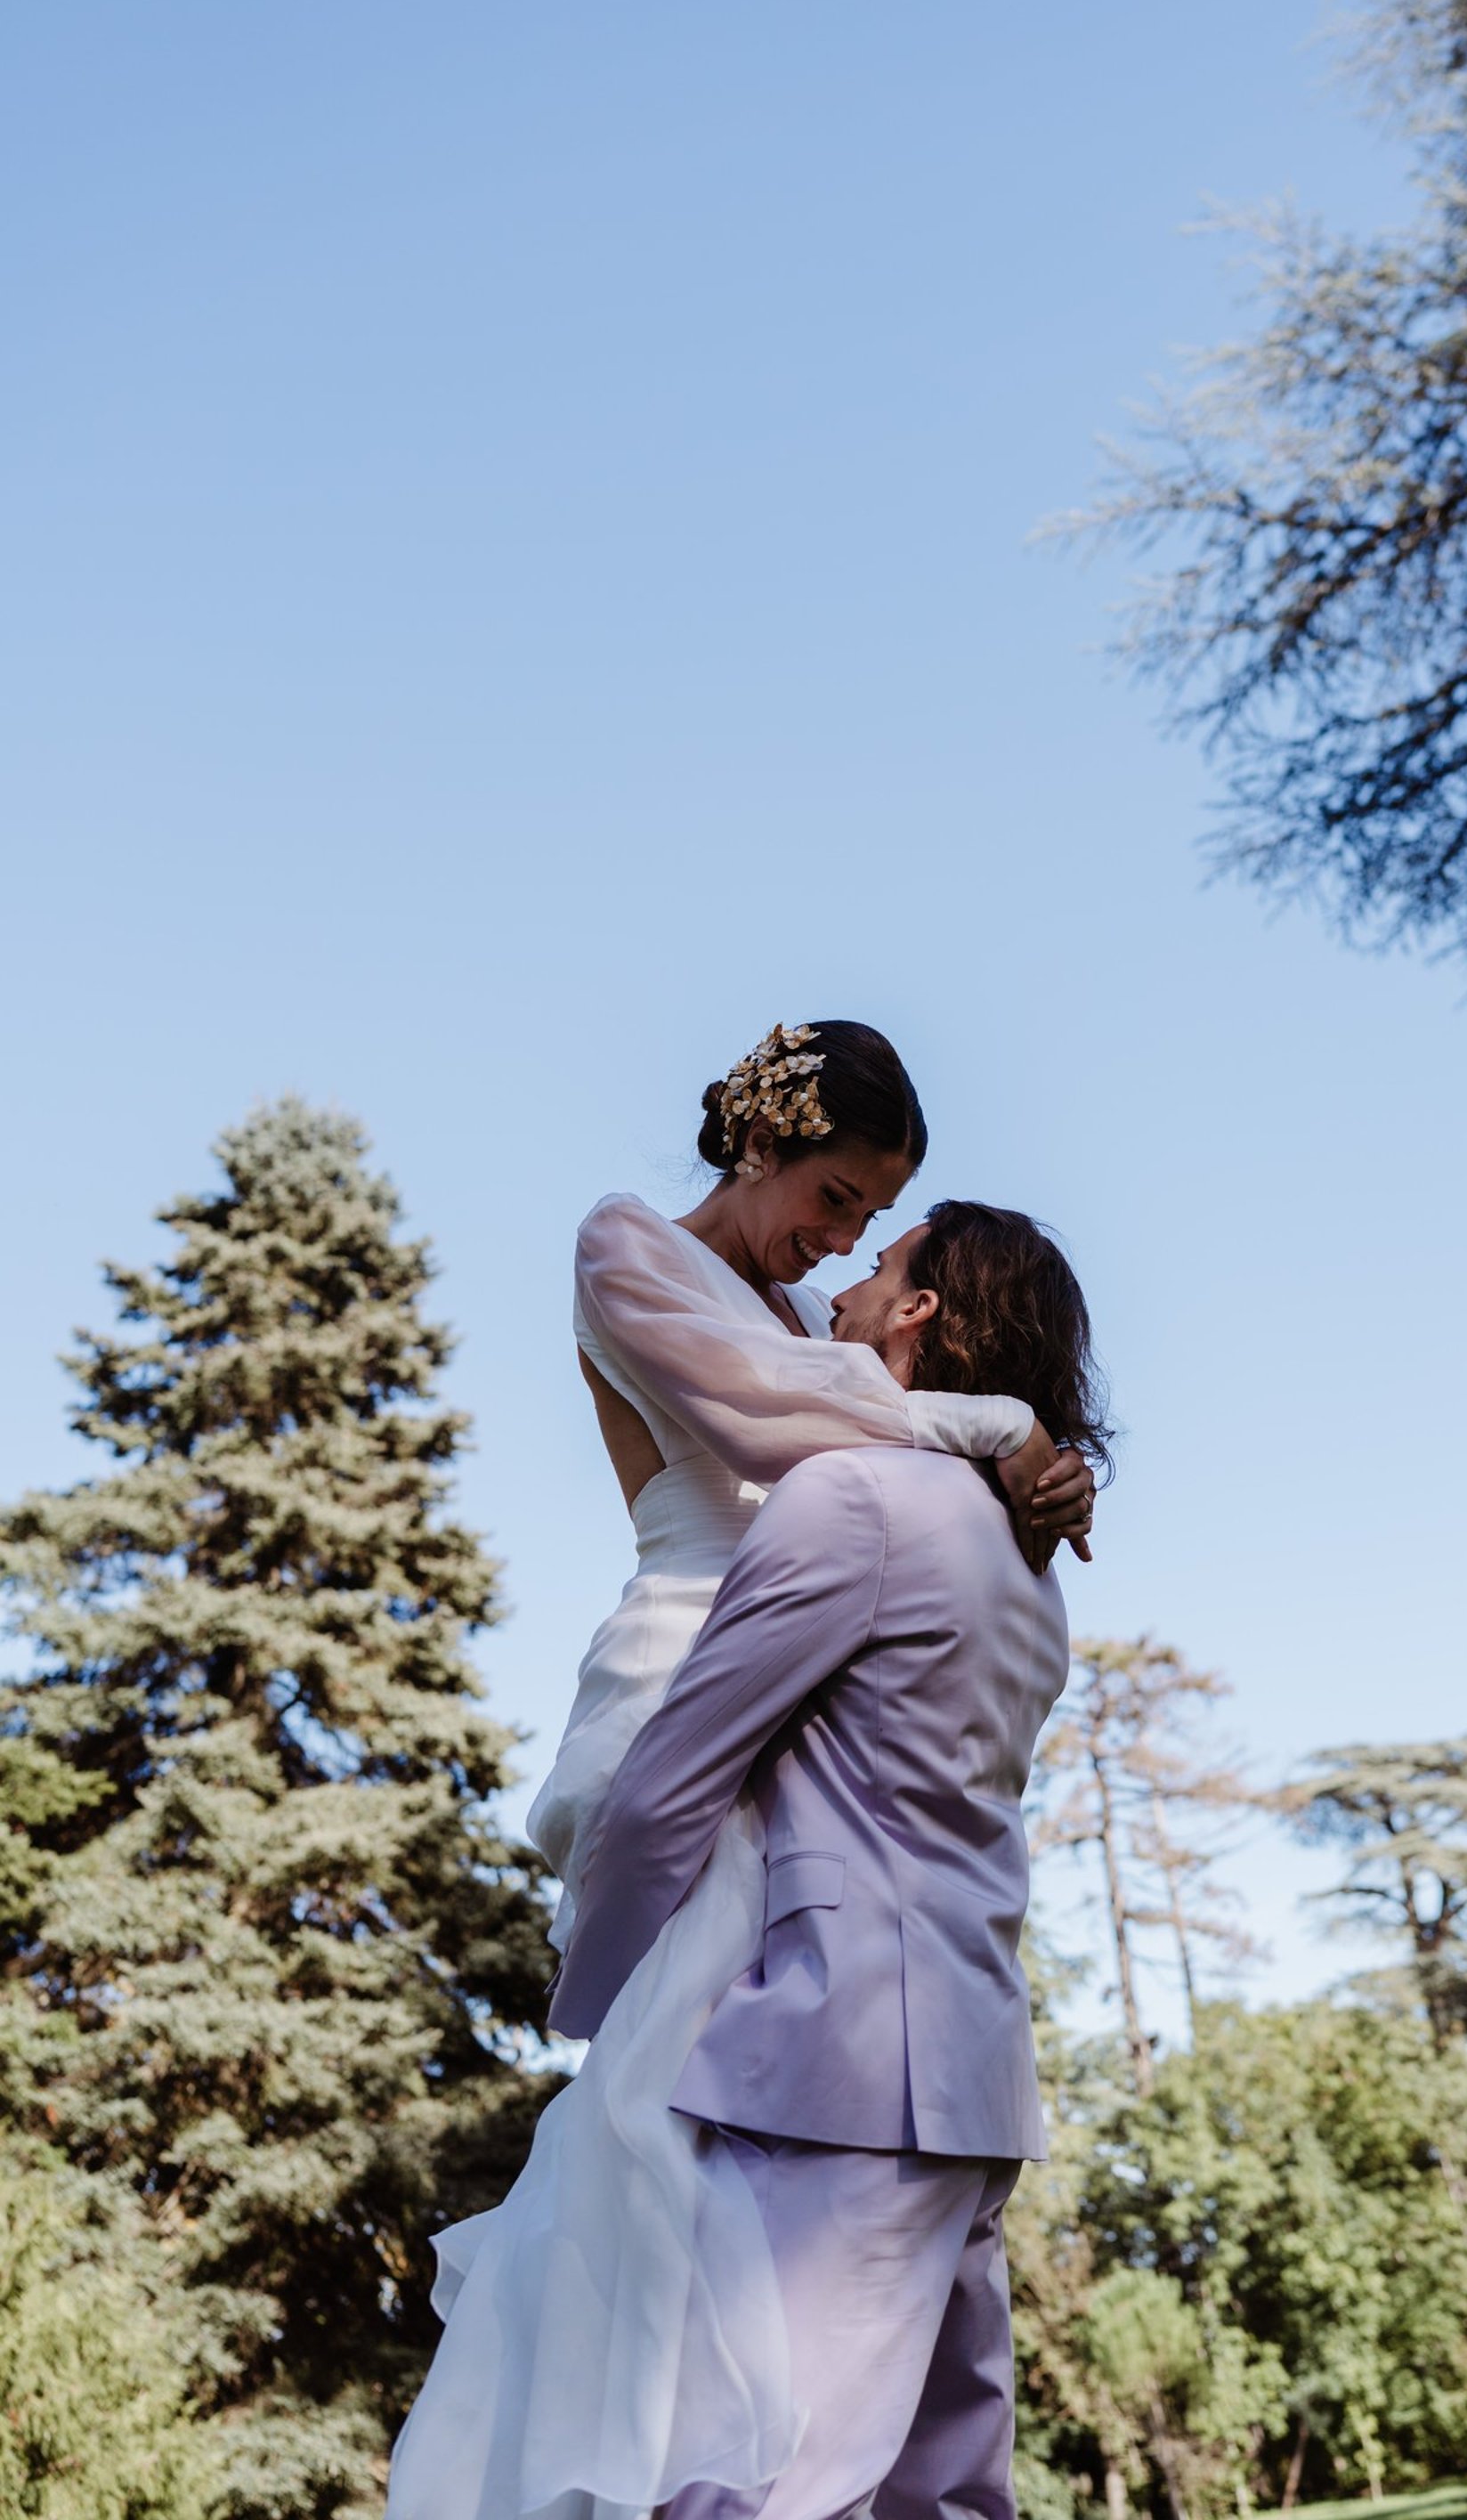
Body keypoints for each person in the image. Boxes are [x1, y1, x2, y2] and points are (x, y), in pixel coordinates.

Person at [386, 1024, 1096, 2520]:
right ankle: (662, 2443)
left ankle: (680, 2449)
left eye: (868, 1224)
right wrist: (996, 1421)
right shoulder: (634, 1249)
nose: (839, 1243)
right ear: (763, 1137)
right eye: (838, 1197)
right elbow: (753, 1414)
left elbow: (858, 1468)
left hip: (818, 1707)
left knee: (692, 2163)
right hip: (702, 1664)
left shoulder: (845, 1393)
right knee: (653, 2124)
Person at [554, 1200, 1111, 2520]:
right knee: (948, 2492)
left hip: (846, 2070)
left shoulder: (853, 1498)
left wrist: (603, 1999)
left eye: (878, 1262)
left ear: (918, 1315)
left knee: (759, 2482)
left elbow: (669, 1782)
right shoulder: (1035, 1567)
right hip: (974, 2078)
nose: (843, 1293)